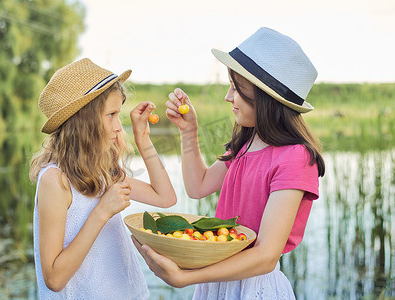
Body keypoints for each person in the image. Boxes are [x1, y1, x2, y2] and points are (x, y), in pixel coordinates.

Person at [132, 27, 325, 299]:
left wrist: (186, 277)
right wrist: (189, 132)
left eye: (236, 88)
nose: (227, 96)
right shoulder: (246, 143)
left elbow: (266, 256)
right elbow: (197, 186)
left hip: (253, 285)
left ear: (263, 96)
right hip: (217, 280)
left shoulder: (295, 157)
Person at [29, 58, 177, 299]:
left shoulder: (101, 171)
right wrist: (102, 211)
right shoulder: (55, 180)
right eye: (111, 114)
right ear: (84, 120)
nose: (119, 126)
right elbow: (54, 279)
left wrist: (143, 140)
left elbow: (165, 197)